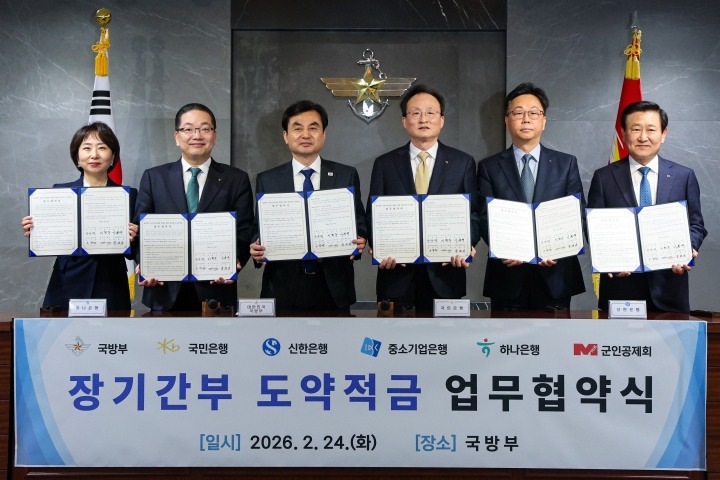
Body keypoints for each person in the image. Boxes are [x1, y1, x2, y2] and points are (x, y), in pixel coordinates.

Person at [366, 84, 480, 312]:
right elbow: (373, 214)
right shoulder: (385, 164)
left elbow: (473, 215)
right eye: (416, 113)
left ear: (442, 120)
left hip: (446, 273)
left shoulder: (462, 162)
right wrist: (377, 245)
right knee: (393, 335)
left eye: (430, 112)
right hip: (396, 274)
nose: (423, 119)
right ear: (404, 121)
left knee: (446, 336)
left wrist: (468, 244)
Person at [587, 100, 706, 313]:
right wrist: (609, 259)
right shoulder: (604, 177)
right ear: (624, 134)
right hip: (620, 290)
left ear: (663, 134)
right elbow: (593, 228)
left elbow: (696, 224)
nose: (643, 137)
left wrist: (689, 248)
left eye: (651, 129)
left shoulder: (683, 176)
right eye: (635, 129)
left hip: (670, 288)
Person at [134, 103, 254, 311]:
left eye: (205, 129)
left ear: (214, 136)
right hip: (164, 289)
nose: (197, 135)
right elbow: (140, 227)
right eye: (188, 129)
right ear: (177, 136)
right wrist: (144, 263)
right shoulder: (154, 177)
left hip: (216, 289)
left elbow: (244, 229)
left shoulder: (236, 179)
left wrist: (234, 261)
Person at [250, 100, 366, 314]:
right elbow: (259, 229)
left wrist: (360, 239)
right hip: (282, 285)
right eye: (297, 128)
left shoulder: (345, 175)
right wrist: (256, 247)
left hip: (333, 286)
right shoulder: (268, 179)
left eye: (313, 128)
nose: (305, 135)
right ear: (286, 136)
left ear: (324, 135)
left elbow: (359, 222)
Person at [477, 82, 586, 311]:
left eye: (534, 113)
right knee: (506, 335)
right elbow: (485, 217)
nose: (526, 119)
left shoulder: (566, 164)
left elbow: (575, 214)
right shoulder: (489, 167)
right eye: (518, 113)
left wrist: (558, 250)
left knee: (556, 335)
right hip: (507, 275)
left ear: (543, 121)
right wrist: (504, 248)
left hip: (555, 275)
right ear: (507, 120)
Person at [21, 122, 138, 311]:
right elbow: (50, 239)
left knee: (112, 329)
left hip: (111, 282)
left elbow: (134, 250)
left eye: (102, 148)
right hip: (67, 282)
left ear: (113, 157)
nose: (94, 155)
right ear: (77, 157)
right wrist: (35, 231)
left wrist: (134, 236)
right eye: (87, 148)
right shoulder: (59, 192)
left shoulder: (129, 195)